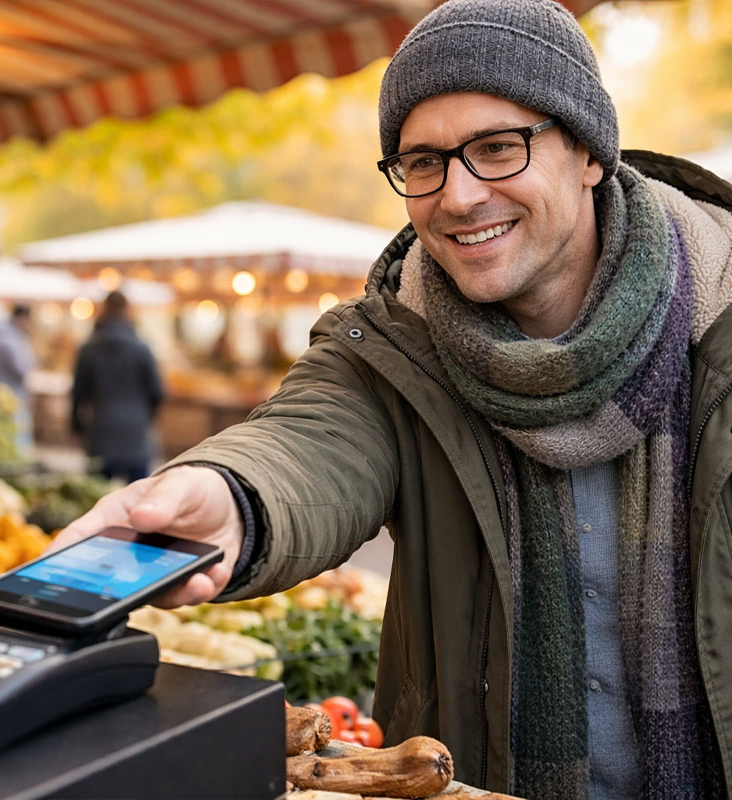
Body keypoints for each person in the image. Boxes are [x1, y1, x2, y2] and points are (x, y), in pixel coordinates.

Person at [52, 1, 732, 797]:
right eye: (423, 162)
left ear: (587, 151)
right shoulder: (390, 344)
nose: (460, 195)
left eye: (497, 148)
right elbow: (307, 443)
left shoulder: (717, 311)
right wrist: (226, 495)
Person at [71, 290, 164, 484]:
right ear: (127, 311)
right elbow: (157, 391)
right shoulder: (142, 348)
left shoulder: (89, 349)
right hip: (135, 432)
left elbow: (78, 393)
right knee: (138, 500)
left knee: (97, 498)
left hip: (101, 429)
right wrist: (146, 418)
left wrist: (76, 426)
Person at [0, 304, 37, 453]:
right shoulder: (10, 341)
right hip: (11, 397)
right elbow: (21, 368)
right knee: (13, 441)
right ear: (23, 319)